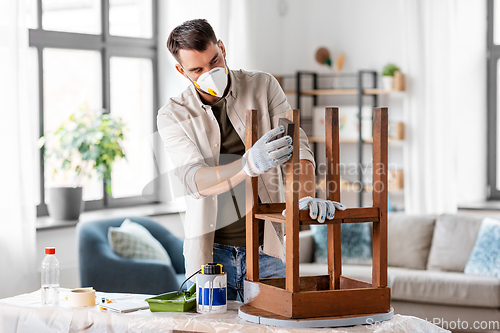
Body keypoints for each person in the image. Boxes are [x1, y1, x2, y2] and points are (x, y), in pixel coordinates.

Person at [157, 19, 345, 300]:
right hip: (210, 260)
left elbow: (298, 146)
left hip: (266, 249)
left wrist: (304, 196)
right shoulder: (173, 115)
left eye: (215, 61)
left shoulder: (263, 85)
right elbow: (195, 180)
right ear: (181, 71)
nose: (210, 73)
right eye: (197, 70)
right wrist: (247, 164)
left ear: (222, 48)